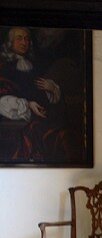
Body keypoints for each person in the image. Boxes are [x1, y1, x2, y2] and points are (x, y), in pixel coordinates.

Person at [0, 26, 70, 162]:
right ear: (10, 42)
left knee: (64, 136)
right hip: (19, 121)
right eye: (19, 38)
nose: (24, 42)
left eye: (27, 39)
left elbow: (42, 94)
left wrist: (52, 88)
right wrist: (28, 105)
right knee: (41, 134)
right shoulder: (4, 67)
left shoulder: (35, 65)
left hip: (44, 117)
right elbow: (2, 99)